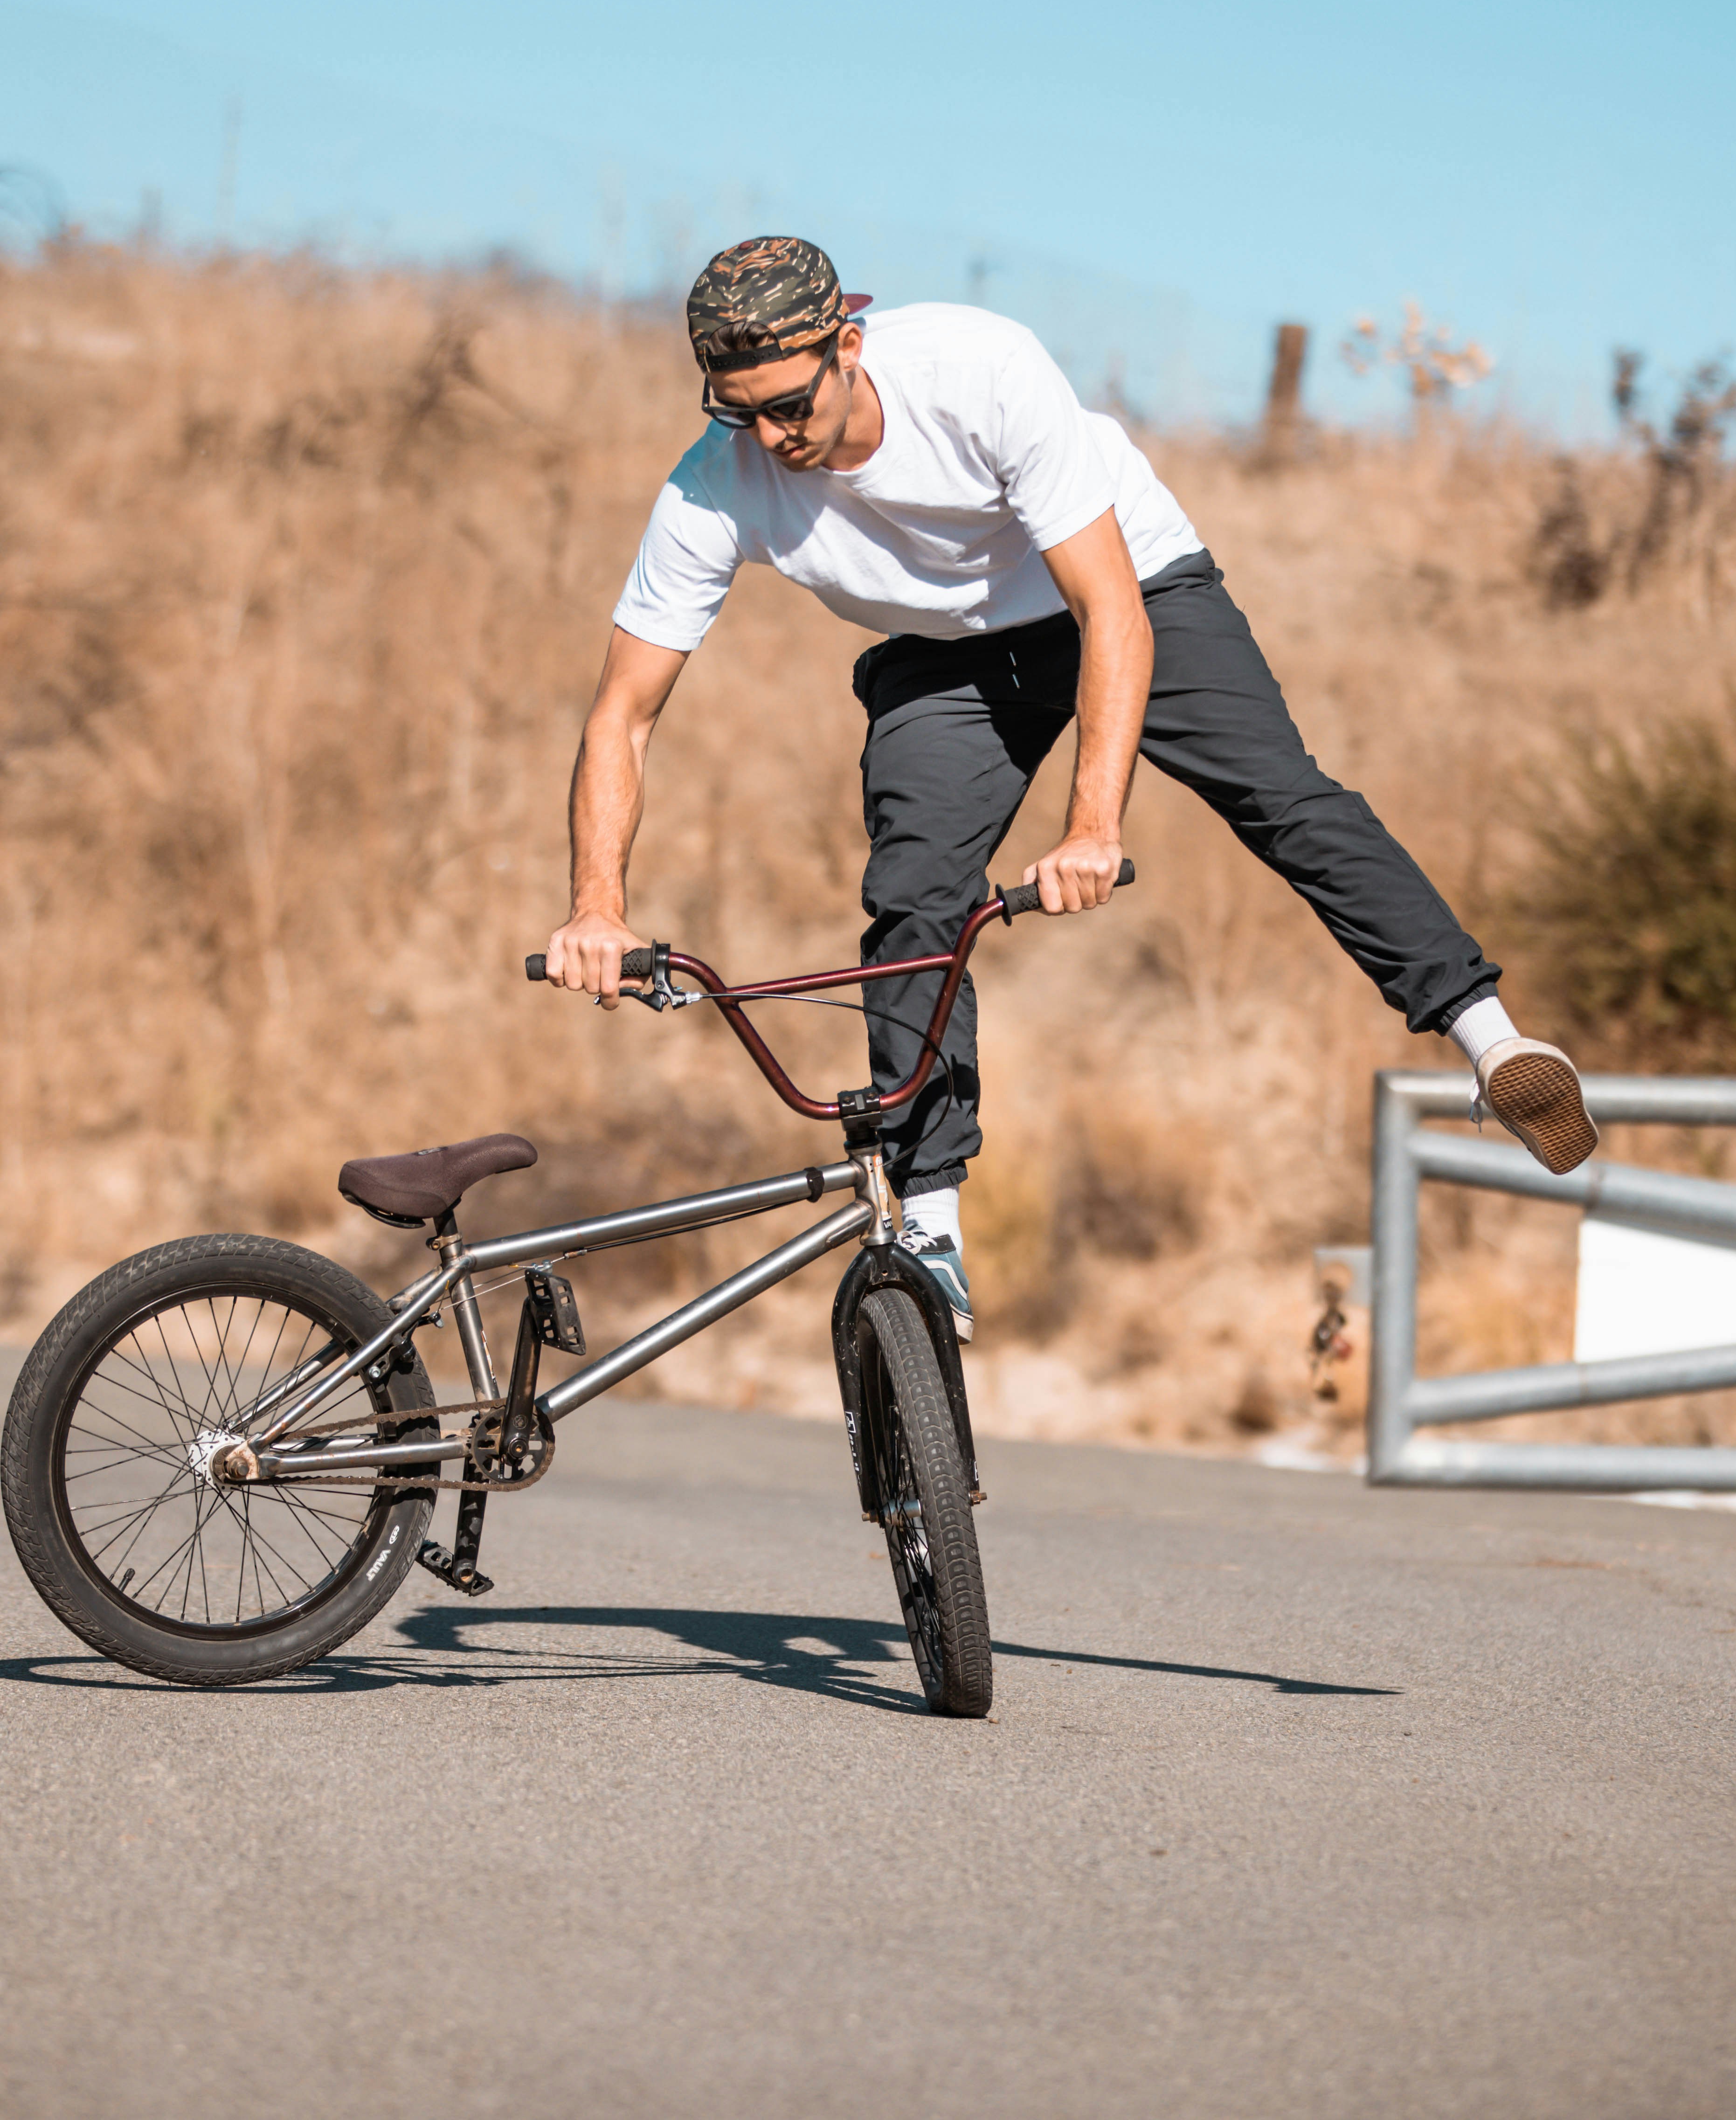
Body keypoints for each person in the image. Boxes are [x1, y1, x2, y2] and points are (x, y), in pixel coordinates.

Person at [544, 236, 1596, 1337]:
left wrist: (1093, 823)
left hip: (1120, 585)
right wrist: (596, 905)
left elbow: (1109, 612)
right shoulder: (714, 482)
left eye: (789, 406)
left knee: (1279, 796)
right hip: (947, 650)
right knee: (915, 893)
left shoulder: (979, 369)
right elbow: (623, 709)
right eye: (737, 411)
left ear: (848, 345)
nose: (770, 437)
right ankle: (933, 1224)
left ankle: (1492, 1039)